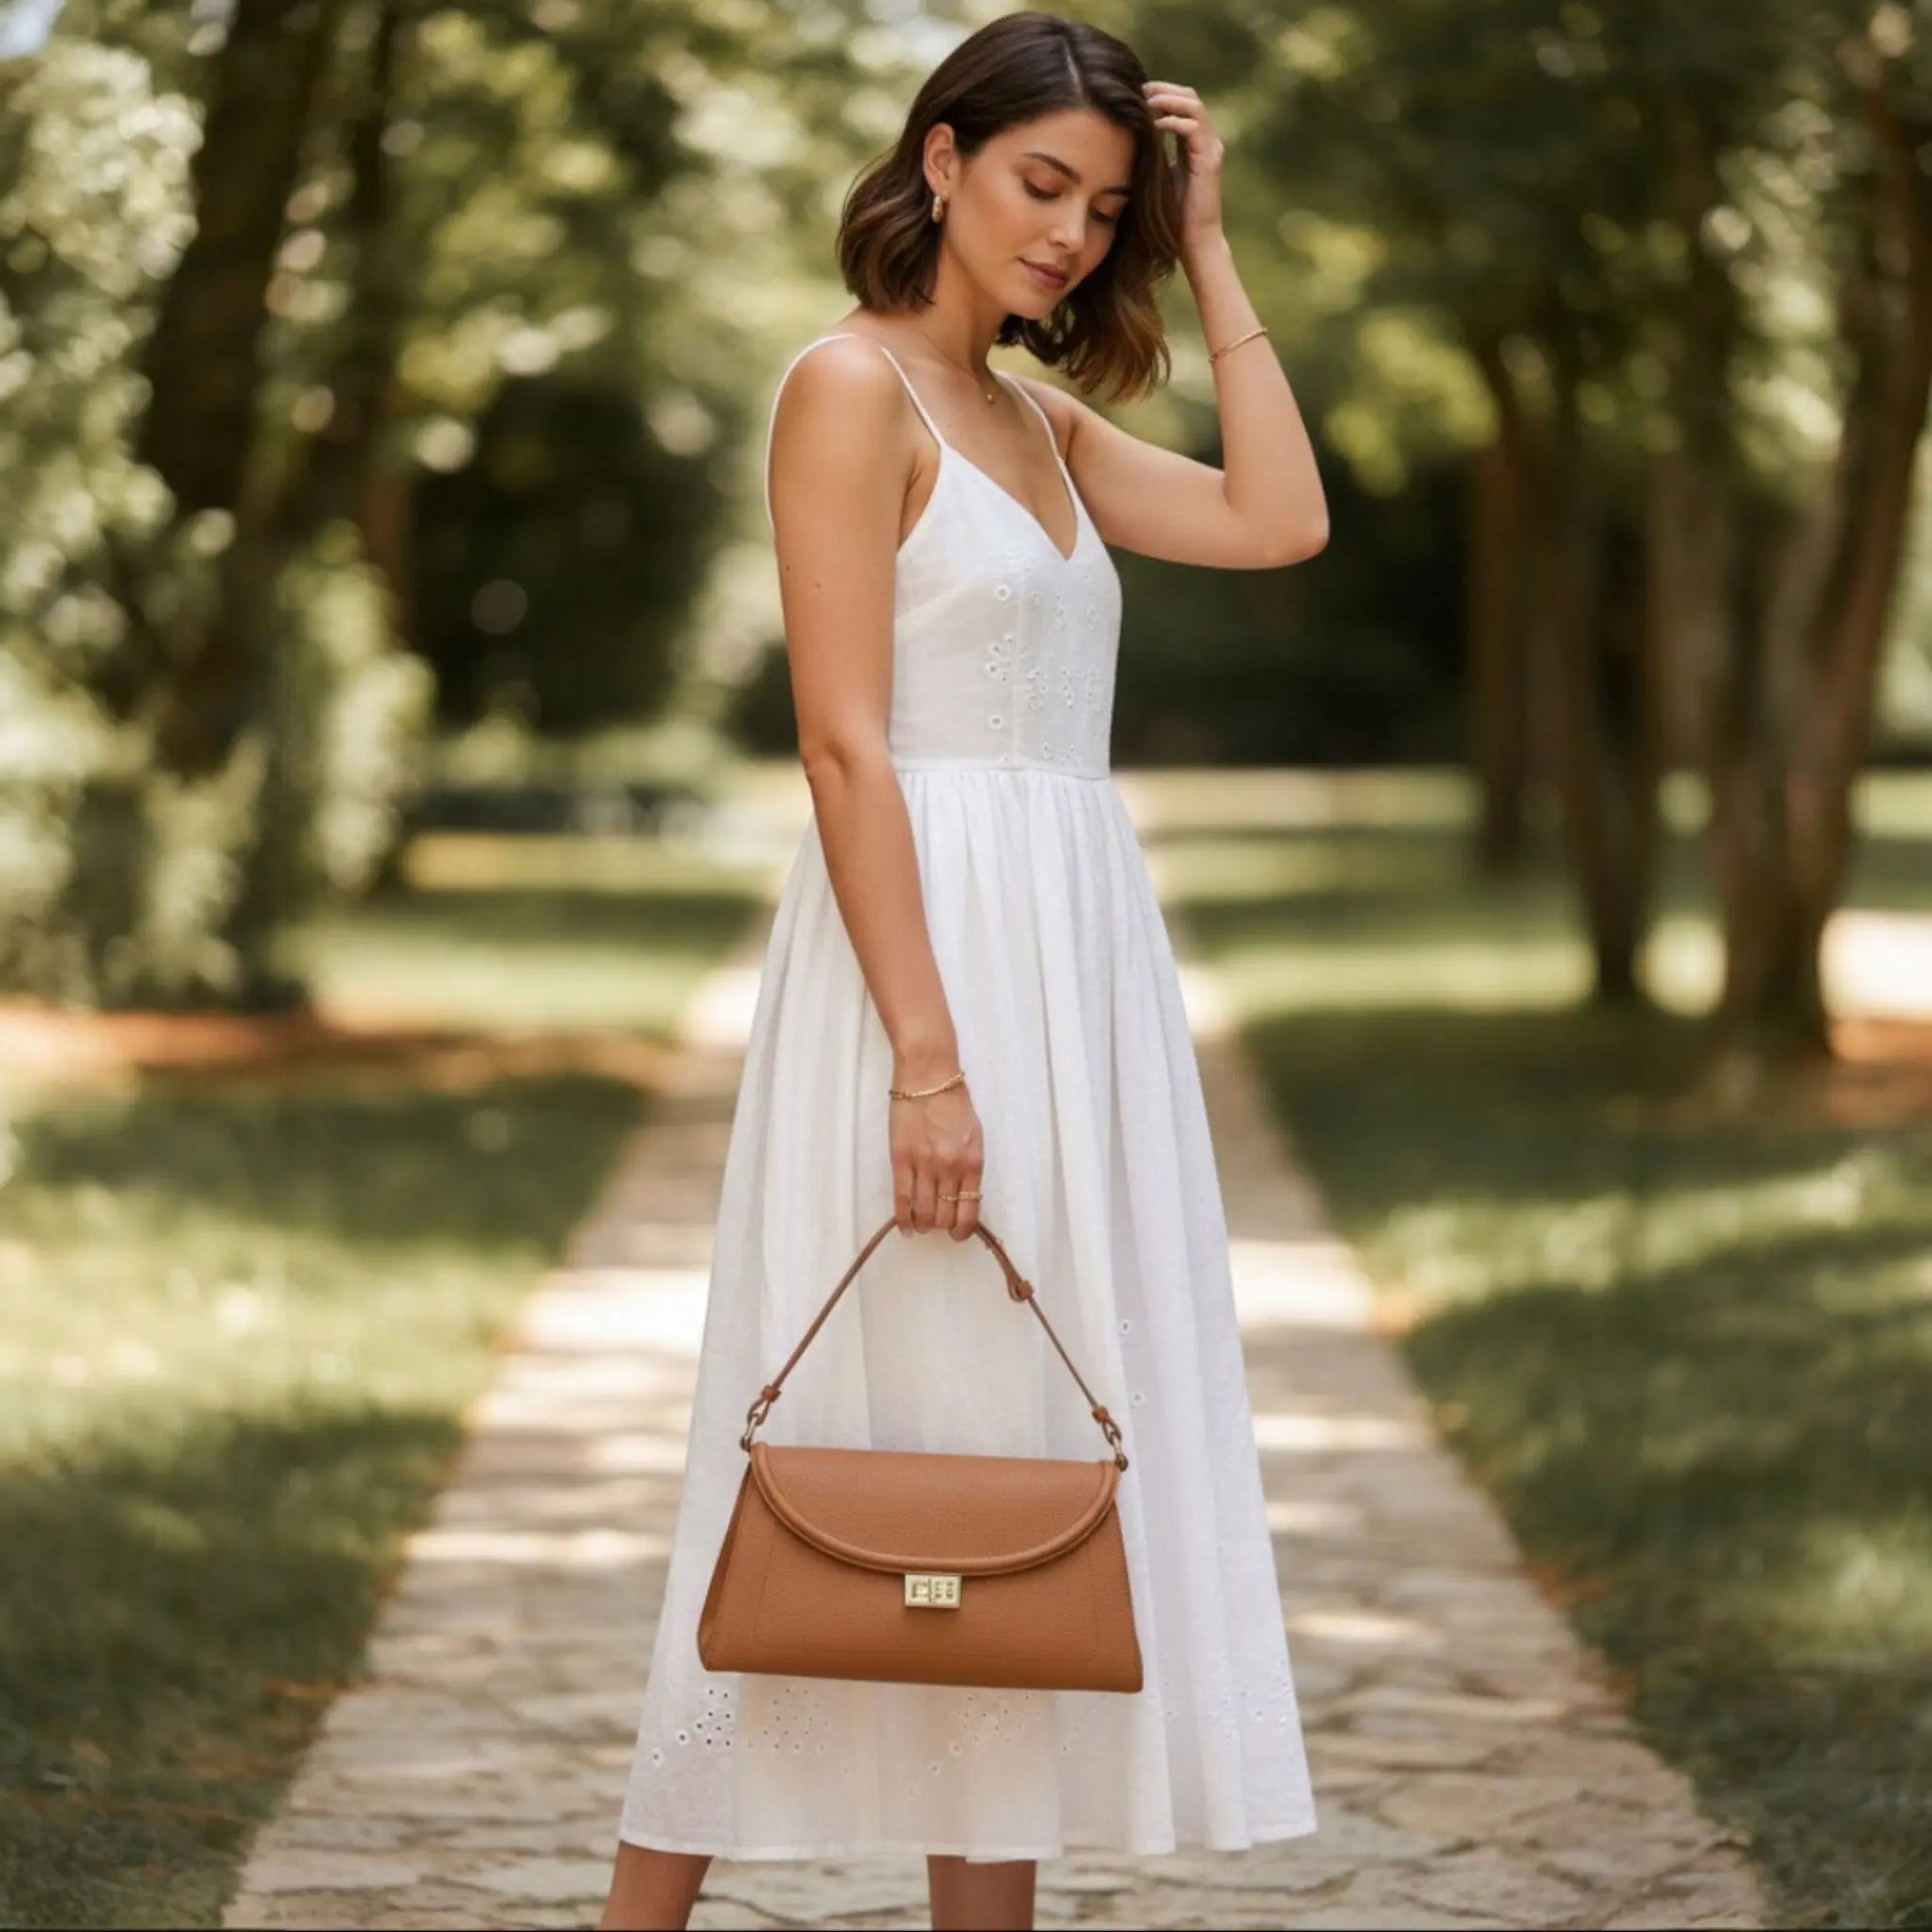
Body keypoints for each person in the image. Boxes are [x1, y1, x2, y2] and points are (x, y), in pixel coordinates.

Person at [599, 12, 1326, 1929]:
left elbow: (1279, 519)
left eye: (1106, 208)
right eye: (1039, 185)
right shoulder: (847, 392)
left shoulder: (1041, 418)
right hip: (916, 970)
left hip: (1070, 967)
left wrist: (1216, 240)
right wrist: (927, 1058)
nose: (1072, 235)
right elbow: (845, 744)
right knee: (826, 1453)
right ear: (939, 159)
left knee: (1009, 1491)